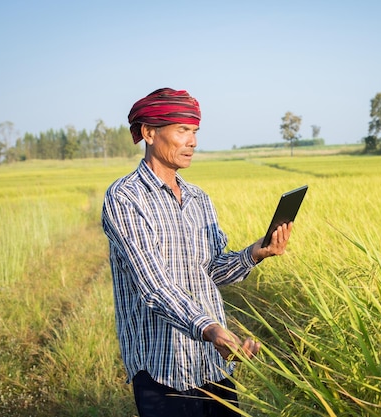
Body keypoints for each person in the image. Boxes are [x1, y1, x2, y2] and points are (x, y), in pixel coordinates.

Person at [101, 87, 293, 416]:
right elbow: (154, 285)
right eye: (182, 130)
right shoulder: (125, 197)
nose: (192, 141)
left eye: (195, 131)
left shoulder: (198, 199)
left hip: (212, 365)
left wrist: (256, 253)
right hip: (163, 369)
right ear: (149, 133)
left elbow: (211, 270)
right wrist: (212, 329)